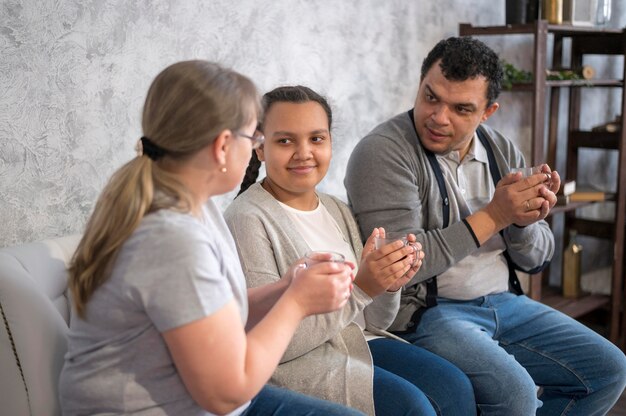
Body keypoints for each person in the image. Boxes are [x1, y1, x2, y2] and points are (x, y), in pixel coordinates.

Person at [58, 61, 366, 416]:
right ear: (223, 146)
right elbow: (225, 394)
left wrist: (285, 287)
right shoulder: (171, 240)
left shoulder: (190, 204)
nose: (255, 148)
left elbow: (215, 315)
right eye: (254, 138)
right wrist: (296, 302)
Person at [345, 36, 626, 416]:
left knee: (609, 369)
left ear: (488, 111)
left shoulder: (502, 150)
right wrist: (496, 215)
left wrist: (523, 224)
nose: (439, 117)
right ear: (420, 84)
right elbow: (399, 268)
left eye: (461, 108)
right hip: (431, 313)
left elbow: (538, 259)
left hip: (506, 301)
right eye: (431, 97)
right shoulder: (383, 152)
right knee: (517, 394)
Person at [225, 85, 477, 416]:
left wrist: (388, 284)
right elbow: (270, 344)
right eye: (285, 141)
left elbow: (373, 319)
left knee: (455, 387)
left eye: (316, 139)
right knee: (412, 408)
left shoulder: (336, 208)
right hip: (302, 362)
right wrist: (362, 288)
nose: (304, 152)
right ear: (260, 147)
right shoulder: (247, 218)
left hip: (359, 341)